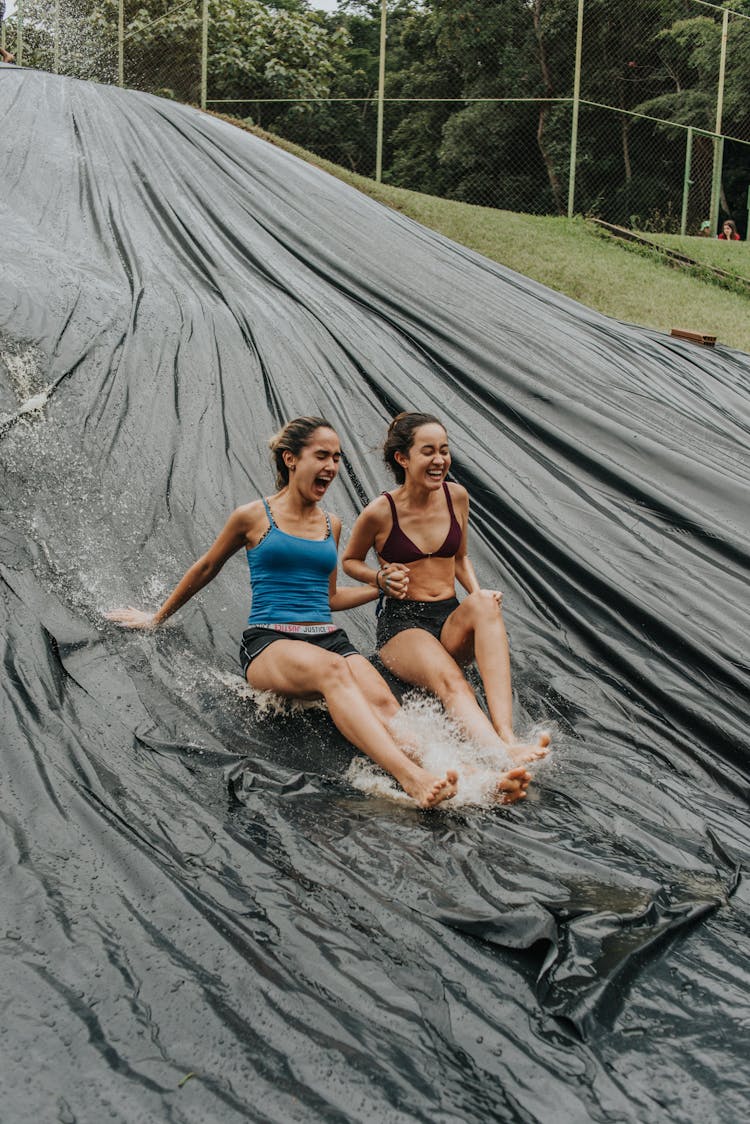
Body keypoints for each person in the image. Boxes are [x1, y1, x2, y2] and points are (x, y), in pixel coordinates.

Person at [107, 416, 533, 808]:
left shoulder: (331, 525)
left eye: (337, 458)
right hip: (272, 640)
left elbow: (329, 599)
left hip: (327, 638)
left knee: (385, 703)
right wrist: (157, 617)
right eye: (322, 456)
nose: (332, 466)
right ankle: (412, 778)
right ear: (291, 459)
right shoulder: (254, 517)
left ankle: (473, 775)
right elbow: (206, 567)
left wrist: (377, 586)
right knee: (334, 671)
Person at [342, 412, 551, 768]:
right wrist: (379, 579)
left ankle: (507, 736)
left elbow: (460, 558)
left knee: (485, 603)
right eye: (428, 451)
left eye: (444, 450)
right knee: (452, 680)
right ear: (403, 459)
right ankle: (499, 756)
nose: (440, 460)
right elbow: (350, 561)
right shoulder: (380, 511)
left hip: (448, 618)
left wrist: (477, 593)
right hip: (404, 625)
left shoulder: (457, 497)